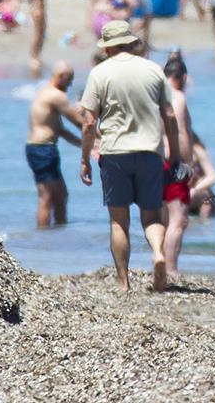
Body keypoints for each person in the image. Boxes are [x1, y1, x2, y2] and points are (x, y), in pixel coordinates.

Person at [77, 19, 181, 292]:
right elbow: (169, 115)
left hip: (115, 152)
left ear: (108, 47)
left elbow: (89, 123)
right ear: (131, 42)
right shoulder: (153, 70)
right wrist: (176, 154)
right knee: (152, 217)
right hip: (149, 151)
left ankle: (123, 282)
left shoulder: (99, 73)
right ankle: (158, 251)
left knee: (119, 220)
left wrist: (84, 158)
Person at [26, 62, 86, 227]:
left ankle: (57, 239)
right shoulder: (55, 96)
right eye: (70, 79)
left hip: (45, 149)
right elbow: (79, 123)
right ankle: (43, 239)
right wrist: (105, 137)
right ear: (61, 76)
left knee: (61, 196)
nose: (70, 84)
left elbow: (59, 129)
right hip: (41, 150)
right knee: (46, 197)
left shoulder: (45, 91)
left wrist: (85, 144)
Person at [159, 53, 197, 282]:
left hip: (153, 159)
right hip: (172, 161)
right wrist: (189, 164)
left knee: (163, 216)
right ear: (182, 77)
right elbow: (181, 132)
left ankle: (159, 259)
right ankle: (170, 268)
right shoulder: (177, 97)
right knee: (179, 218)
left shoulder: (154, 94)